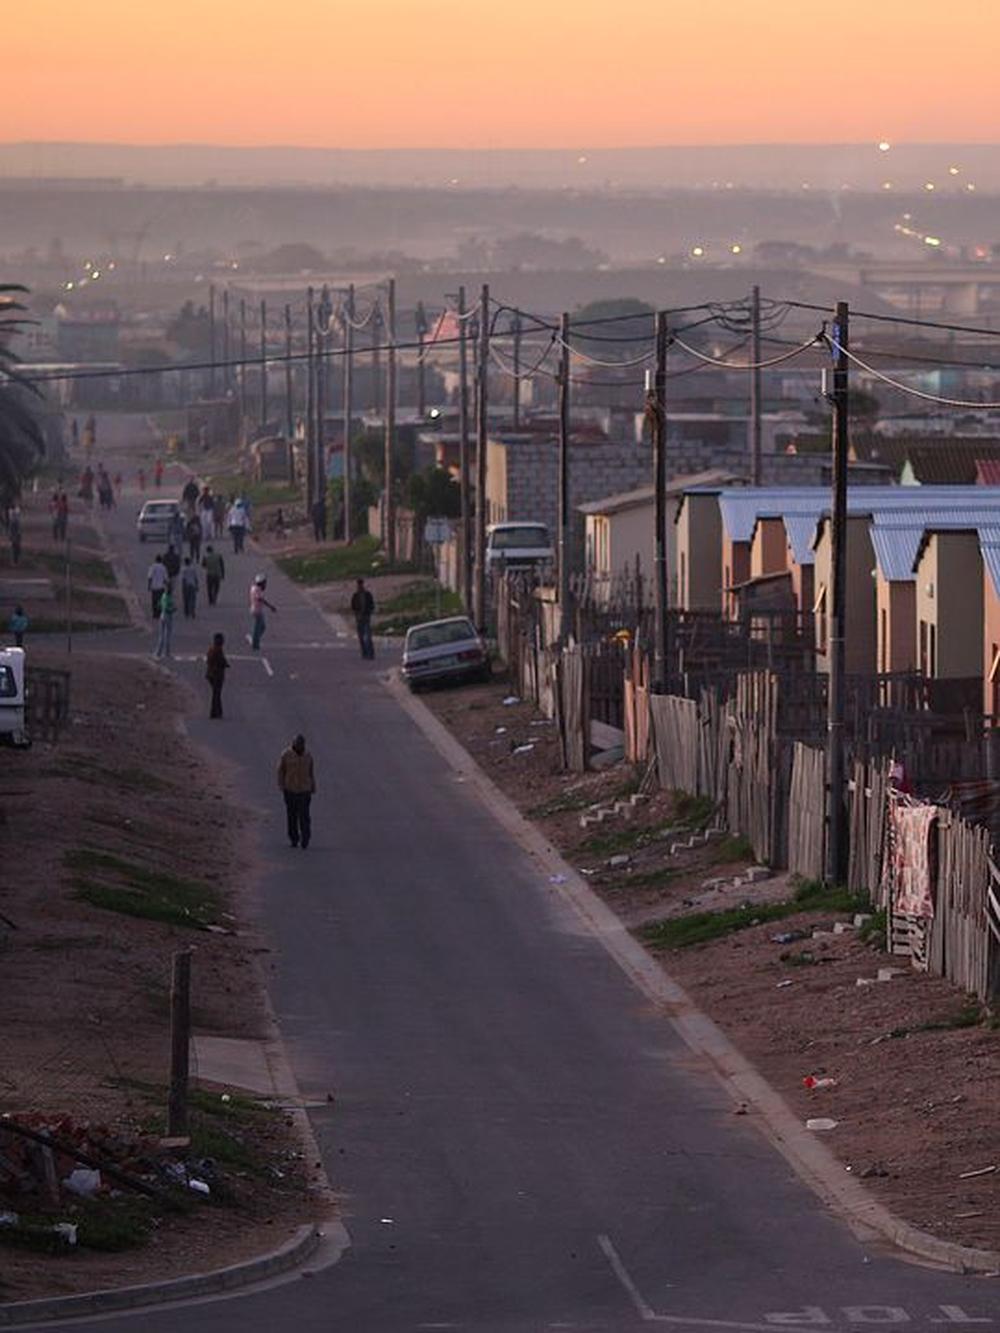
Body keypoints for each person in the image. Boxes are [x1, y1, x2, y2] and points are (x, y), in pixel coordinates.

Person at [276, 734, 315, 849]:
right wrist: (281, 785)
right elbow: (280, 771)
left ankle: (305, 838)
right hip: (290, 790)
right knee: (292, 816)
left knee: (305, 816)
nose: (299, 746)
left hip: (304, 790)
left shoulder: (308, 756)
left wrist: (312, 786)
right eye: (297, 744)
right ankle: (294, 838)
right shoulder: (286, 755)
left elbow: (311, 772)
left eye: (301, 744)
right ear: (293, 744)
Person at [350, 577, 375, 659]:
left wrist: (368, 613)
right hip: (359, 618)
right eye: (358, 585)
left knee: (368, 636)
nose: (359, 587)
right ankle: (364, 653)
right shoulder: (355, 596)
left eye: (360, 585)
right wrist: (356, 614)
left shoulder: (367, 595)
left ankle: (370, 653)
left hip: (366, 617)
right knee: (361, 637)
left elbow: (372, 605)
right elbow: (353, 606)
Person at [249, 574, 276, 651]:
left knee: (262, 627)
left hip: (256, 610)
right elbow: (261, 599)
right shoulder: (257, 590)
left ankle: (255, 640)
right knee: (258, 628)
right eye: (264, 583)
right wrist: (270, 606)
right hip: (257, 611)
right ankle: (255, 643)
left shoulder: (254, 588)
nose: (265, 584)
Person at [205, 632, 229, 719]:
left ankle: (217, 712)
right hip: (217, 675)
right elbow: (222, 662)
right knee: (216, 694)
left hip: (210, 674)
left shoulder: (211, 649)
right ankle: (214, 712)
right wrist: (226, 664)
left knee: (216, 694)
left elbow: (208, 660)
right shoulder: (218, 650)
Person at [153, 581, 176, 659]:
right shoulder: (169, 597)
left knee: (161, 635)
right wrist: (173, 609)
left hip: (162, 615)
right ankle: (167, 653)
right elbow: (167, 608)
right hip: (168, 616)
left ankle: (158, 652)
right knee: (167, 636)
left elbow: (159, 605)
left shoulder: (163, 595)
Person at [147, 554, 168, 618]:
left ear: (155, 560)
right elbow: (165, 579)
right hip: (161, 587)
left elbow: (150, 577)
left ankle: (155, 613)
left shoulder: (152, 567)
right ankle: (159, 612)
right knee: (160, 600)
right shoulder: (163, 567)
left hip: (154, 587)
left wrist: (149, 585)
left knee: (154, 600)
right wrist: (167, 585)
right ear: (161, 560)